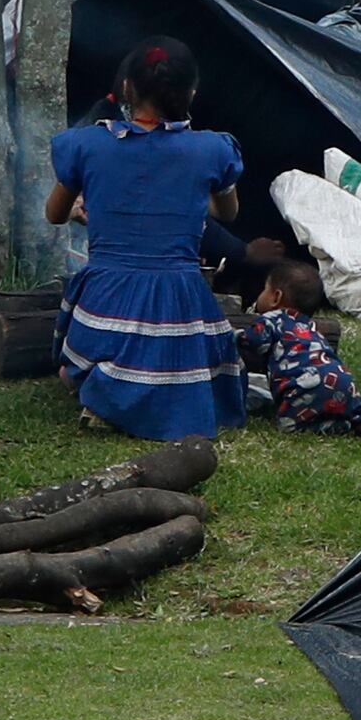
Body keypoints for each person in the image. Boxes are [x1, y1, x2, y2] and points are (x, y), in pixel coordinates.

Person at [45, 39, 246, 441]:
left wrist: (92, 212)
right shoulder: (212, 150)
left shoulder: (85, 145)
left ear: (126, 90)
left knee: (69, 371)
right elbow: (228, 213)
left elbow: (55, 214)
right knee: (188, 360)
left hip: (106, 298)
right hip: (180, 300)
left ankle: (106, 392)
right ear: (190, 93)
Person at [238, 250, 361, 445]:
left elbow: (251, 342)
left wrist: (233, 336)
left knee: (290, 427)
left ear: (276, 297)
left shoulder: (272, 319)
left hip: (304, 384)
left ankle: (335, 426)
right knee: (353, 411)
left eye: (264, 289)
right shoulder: (310, 328)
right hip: (341, 379)